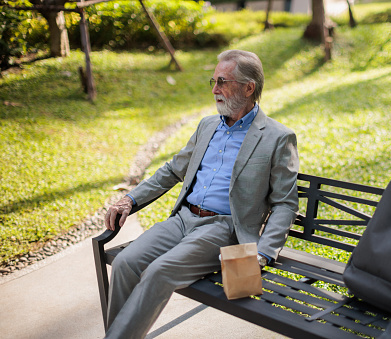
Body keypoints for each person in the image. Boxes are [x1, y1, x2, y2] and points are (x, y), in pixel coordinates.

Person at [103, 49, 299, 339]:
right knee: (124, 263)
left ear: (248, 88)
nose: (215, 90)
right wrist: (130, 199)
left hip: (222, 229)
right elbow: (172, 170)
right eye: (213, 81)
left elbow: (285, 203)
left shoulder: (277, 137)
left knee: (159, 272)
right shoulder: (208, 125)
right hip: (182, 220)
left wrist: (263, 253)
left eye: (222, 81)